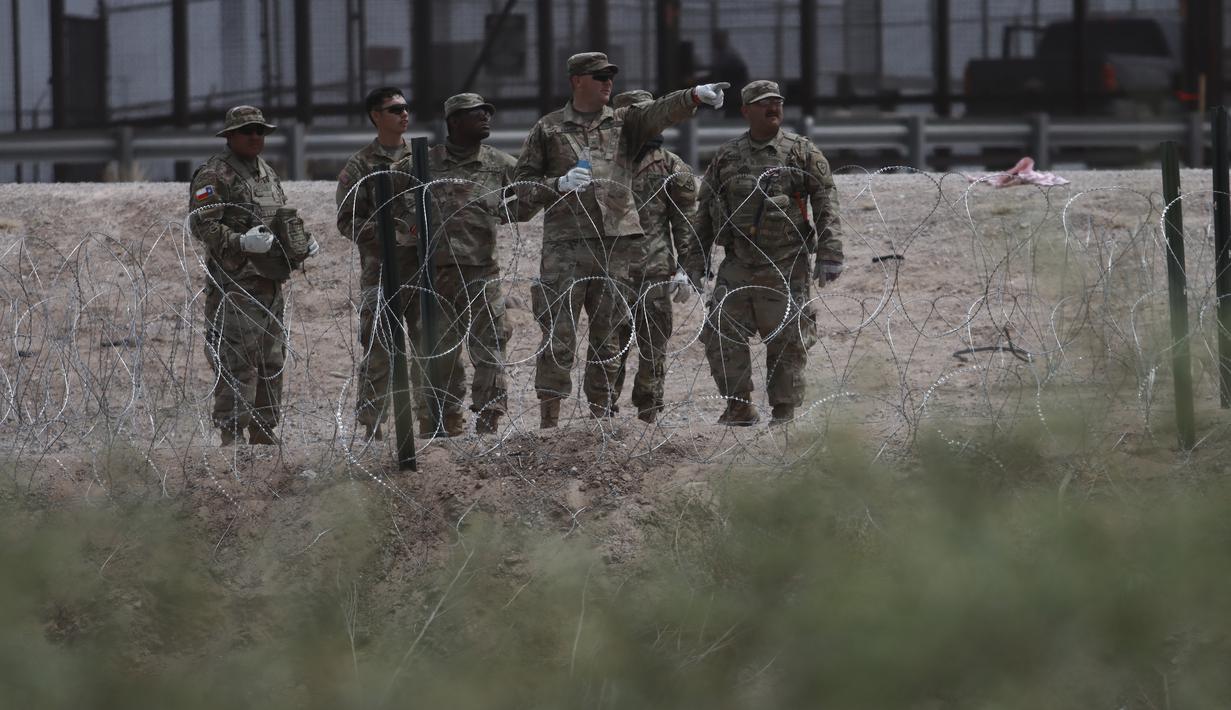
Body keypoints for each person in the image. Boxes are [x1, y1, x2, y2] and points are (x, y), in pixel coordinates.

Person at [513, 51, 729, 428]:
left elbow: (660, 112)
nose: (607, 82)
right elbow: (521, 191)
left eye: (610, 75)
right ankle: (550, 422)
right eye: (598, 76)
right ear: (577, 80)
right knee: (558, 337)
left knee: (608, 339)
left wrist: (693, 95)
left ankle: (601, 419)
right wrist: (557, 185)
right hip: (565, 249)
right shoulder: (548, 130)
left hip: (614, 247)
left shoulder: (625, 124)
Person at [679, 80, 844, 426]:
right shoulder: (728, 155)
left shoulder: (801, 151)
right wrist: (693, 262)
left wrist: (830, 250)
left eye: (777, 102)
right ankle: (738, 405)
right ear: (745, 111)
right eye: (763, 103)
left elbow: (826, 200)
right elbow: (705, 209)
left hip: (785, 265)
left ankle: (783, 412)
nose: (773, 108)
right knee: (720, 332)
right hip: (738, 263)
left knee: (787, 340)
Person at [189, 105, 318, 446]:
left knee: (271, 359)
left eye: (260, 131)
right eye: (247, 131)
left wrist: (301, 241)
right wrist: (240, 242)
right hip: (236, 284)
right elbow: (203, 224)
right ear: (230, 135)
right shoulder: (214, 174)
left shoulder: (266, 173)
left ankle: (264, 430)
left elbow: (280, 217)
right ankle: (231, 434)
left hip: (269, 280)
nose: (255, 137)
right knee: (238, 360)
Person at [336, 87, 445, 440]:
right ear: (375, 116)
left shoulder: (421, 158)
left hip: (422, 270)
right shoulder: (361, 165)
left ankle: (431, 422)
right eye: (394, 109)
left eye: (405, 107)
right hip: (381, 272)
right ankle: (373, 427)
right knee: (380, 349)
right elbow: (347, 220)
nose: (403, 114)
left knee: (428, 346)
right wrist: (391, 234)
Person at [426, 93, 518, 435]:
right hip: (436, 273)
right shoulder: (425, 161)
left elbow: (526, 196)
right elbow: (397, 199)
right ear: (453, 122)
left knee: (491, 346)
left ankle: (488, 418)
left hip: (482, 271)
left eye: (487, 113)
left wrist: (496, 213)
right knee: (443, 351)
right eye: (475, 114)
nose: (485, 118)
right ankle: (448, 420)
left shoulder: (500, 164)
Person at [604, 89, 697, 423]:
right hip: (611, 270)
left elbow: (685, 223)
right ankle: (603, 410)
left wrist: (688, 269)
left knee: (653, 346)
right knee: (609, 346)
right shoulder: (604, 164)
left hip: (655, 270)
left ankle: (649, 410)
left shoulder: (671, 167)